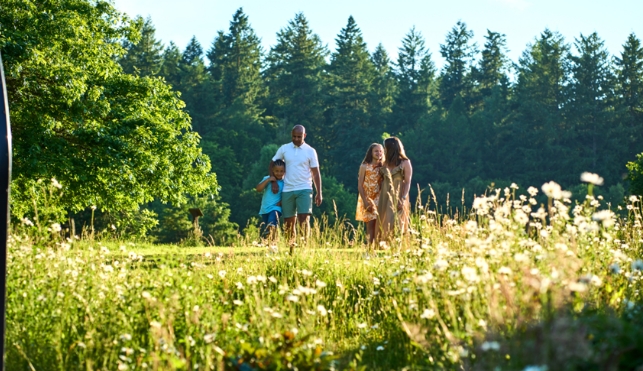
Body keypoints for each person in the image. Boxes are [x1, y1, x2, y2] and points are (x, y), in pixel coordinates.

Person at [269, 125, 322, 253]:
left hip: (305, 188)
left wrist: (319, 192)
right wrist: (273, 181)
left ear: (304, 135)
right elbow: (272, 163)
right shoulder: (284, 149)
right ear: (291, 135)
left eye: (299, 136)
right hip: (287, 189)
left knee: (304, 219)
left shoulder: (310, 151)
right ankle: (291, 250)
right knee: (288, 222)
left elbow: (315, 173)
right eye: (294, 136)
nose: (296, 139)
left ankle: (304, 248)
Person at [377, 137, 412, 242]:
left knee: (395, 220)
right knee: (383, 219)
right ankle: (382, 244)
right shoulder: (384, 163)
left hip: (398, 193)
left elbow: (407, 182)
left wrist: (403, 197)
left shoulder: (405, 162)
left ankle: (395, 244)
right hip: (384, 193)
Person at [356, 143, 383, 245]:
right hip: (367, 198)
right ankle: (368, 249)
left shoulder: (383, 167)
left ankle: (377, 247)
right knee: (370, 225)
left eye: (380, 151)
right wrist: (365, 201)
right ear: (371, 153)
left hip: (379, 198)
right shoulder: (364, 166)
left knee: (379, 224)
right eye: (376, 151)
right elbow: (360, 185)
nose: (378, 153)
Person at [255, 159, 285, 241]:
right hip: (265, 209)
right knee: (268, 229)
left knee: (271, 224)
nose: (279, 173)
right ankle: (271, 243)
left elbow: (287, 194)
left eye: (281, 171)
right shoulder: (267, 178)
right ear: (272, 170)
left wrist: (282, 202)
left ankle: (273, 243)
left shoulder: (285, 182)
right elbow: (258, 189)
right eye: (276, 171)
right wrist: (268, 180)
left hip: (276, 208)